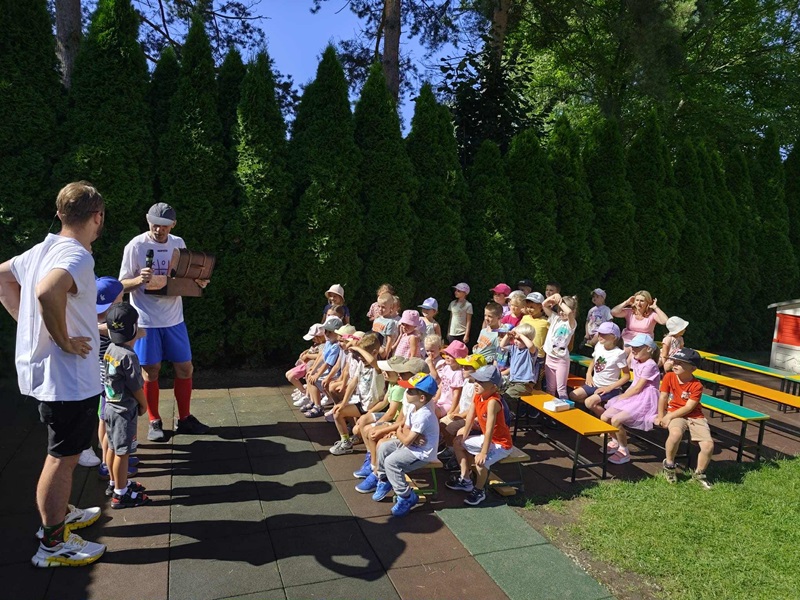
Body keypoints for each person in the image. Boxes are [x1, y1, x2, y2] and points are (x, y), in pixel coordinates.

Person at [0, 181, 106, 567]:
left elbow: (2, 278)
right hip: (69, 381)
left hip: (56, 380)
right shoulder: (77, 255)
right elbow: (47, 291)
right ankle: (52, 543)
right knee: (62, 458)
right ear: (98, 217)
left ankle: (59, 516)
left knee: (64, 455)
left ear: (60, 214)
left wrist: (29, 325)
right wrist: (61, 340)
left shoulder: (39, 250)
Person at [118, 202, 211, 442]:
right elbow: (121, 284)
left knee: (185, 368)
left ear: (173, 225)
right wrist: (139, 280)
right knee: (151, 371)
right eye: (155, 225)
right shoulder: (136, 246)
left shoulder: (178, 243)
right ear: (148, 221)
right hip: (146, 320)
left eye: (165, 226)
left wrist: (199, 282)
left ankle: (185, 418)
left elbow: (185, 278)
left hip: (174, 319)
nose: (159, 230)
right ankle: (154, 421)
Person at [370, 372, 441, 517]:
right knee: (383, 447)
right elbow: (406, 430)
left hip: (422, 453)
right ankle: (385, 479)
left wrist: (400, 432)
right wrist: (404, 434)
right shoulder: (414, 407)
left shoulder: (424, 415)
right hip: (413, 446)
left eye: (410, 391)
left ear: (422, 398)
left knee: (391, 462)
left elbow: (406, 439)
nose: (406, 392)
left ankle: (407, 496)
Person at [102, 303, 151, 508]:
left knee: (113, 448)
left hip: (110, 407)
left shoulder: (111, 349)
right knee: (123, 453)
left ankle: (115, 482)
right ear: (133, 328)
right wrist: (144, 405)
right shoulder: (129, 356)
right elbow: (136, 387)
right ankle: (121, 494)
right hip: (124, 411)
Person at [354, 356, 428, 490]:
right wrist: (393, 430)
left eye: (403, 373)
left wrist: (390, 430)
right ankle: (376, 469)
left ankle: (380, 475)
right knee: (375, 436)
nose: (399, 375)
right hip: (406, 433)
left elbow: (406, 423)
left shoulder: (420, 401)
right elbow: (402, 418)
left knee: (380, 441)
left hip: (416, 444)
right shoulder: (408, 393)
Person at [446, 365, 513, 506]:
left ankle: (479, 490)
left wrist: (483, 452)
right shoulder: (478, 396)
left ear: (494, 387)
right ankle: (465, 479)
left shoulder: (493, 402)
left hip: (501, 444)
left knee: (481, 462)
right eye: (476, 380)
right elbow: (470, 418)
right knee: (457, 442)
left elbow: (489, 430)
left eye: (481, 382)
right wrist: (464, 438)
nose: (476, 384)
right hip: (489, 440)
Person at [81, 276, 124, 470]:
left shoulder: (89, 317)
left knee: (103, 416)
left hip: (99, 375)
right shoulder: (114, 322)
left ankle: (107, 453)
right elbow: (135, 333)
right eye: (120, 298)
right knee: (110, 419)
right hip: (110, 376)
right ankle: (108, 462)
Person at [654, 348, 713, 489]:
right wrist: (661, 416)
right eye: (675, 361)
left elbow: (689, 407)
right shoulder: (669, 377)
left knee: (708, 445)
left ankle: (699, 474)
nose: (675, 364)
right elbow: (663, 397)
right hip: (674, 412)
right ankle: (669, 465)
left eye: (681, 363)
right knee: (675, 434)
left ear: (693, 368)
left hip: (695, 416)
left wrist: (669, 416)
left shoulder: (697, 385)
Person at [600, 334, 661, 465]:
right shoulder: (636, 360)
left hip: (645, 399)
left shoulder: (650, 365)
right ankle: (615, 441)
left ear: (649, 349)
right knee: (605, 417)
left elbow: (639, 388)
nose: (633, 350)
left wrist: (622, 397)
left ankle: (624, 451)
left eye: (637, 347)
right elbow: (634, 384)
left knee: (616, 420)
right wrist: (624, 397)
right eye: (632, 347)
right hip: (634, 395)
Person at [329, 334, 385, 455]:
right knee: (337, 412)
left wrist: (357, 348)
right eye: (359, 355)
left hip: (376, 407)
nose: (360, 357)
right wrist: (343, 403)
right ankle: (345, 442)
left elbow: (372, 360)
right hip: (363, 404)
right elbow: (352, 383)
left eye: (362, 355)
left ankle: (368, 448)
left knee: (357, 430)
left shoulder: (379, 366)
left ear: (374, 352)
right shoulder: (361, 364)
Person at [570, 322, 630, 416]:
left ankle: (607, 419)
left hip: (609, 388)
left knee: (589, 402)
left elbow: (626, 376)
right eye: (599, 333)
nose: (599, 336)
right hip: (595, 384)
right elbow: (594, 360)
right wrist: (588, 374)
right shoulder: (599, 346)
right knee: (573, 395)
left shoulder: (619, 354)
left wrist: (609, 388)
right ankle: (597, 408)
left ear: (614, 337)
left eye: (604, 334)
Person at [302, 317, 344, 418]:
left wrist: (317, 374)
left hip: (335, 373)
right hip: (329, 371)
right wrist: (313, 369)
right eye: (326, 331)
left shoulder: (336, 345)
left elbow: (328, 363)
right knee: (309, 376)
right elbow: (322, 356)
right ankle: (314, 401)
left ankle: (318, 406)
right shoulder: (329, 342)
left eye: (330, 332)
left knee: (315, 380)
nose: (327, 334)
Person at [542, 294, 578, 399]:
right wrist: (554, 296)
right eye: (559, 310)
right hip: (550, 358)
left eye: (563, 310)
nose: (561, 312)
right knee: (550, 388)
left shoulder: (571, 323)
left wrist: (560, 302)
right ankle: (550, 408)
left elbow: (569, 313)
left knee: (561, 389)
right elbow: (544, 305)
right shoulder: (555, 318)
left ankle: (564, 407)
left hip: (561, 360)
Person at [499, 322, 540, 406]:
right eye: (515, 339)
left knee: (509, 395)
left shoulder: (530, 351)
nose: (515, 341)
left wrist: (520, 336)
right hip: (512, 381)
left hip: (524, 384)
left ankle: (511, 412)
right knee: (498, 391)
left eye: (519, 340)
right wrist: (508, 335)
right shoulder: (514, 348)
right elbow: (501, 345)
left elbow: (531, 346)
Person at [289, 323, 326, 408]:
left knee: (310, 379)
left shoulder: (323, 345)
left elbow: (321, 355)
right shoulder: (317, 344)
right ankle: (307, 394)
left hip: (313, 366)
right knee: (307, 379)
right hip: (308, 366)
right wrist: (306, 352)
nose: (313, 340)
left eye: (314, 338)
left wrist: (308, 356)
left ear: (320, 336)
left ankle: (308, 396)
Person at [433, 340, 468, 417]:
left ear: (459, 359)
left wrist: (452, 411)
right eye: (447, 354)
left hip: (449, 404)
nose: (447, 357)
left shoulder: (458, 374)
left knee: (433, 413)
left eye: (451, 355)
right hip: (441, 399)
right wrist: (436, 398)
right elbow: (442, 384)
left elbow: (456, 394)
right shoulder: (446, 368)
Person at [371, 292, 399, 359]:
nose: (380, 309)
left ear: (390, 308)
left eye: (383, 307)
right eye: (379, 306)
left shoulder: (390, 322)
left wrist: (386, 353)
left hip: (382, 349)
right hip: (373, 347)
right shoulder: (376, 319)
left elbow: (389, 340)